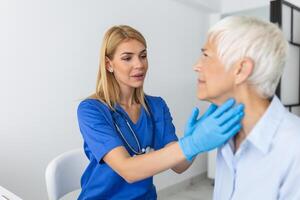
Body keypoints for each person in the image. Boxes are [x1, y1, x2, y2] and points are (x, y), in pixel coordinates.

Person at [77, 25, 244, 199]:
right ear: (109, 64)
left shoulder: (156, 106)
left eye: (143, 56)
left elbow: (179, 166)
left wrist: (193, 142)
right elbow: (128, 171)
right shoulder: (91, 109)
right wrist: (191, 143)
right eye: (127, 58)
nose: (139, 64)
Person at [193, 16, 300, 200]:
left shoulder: (294, 147)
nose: (197, 66)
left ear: (241, 69)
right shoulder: (226, 136)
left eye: (206, 55)